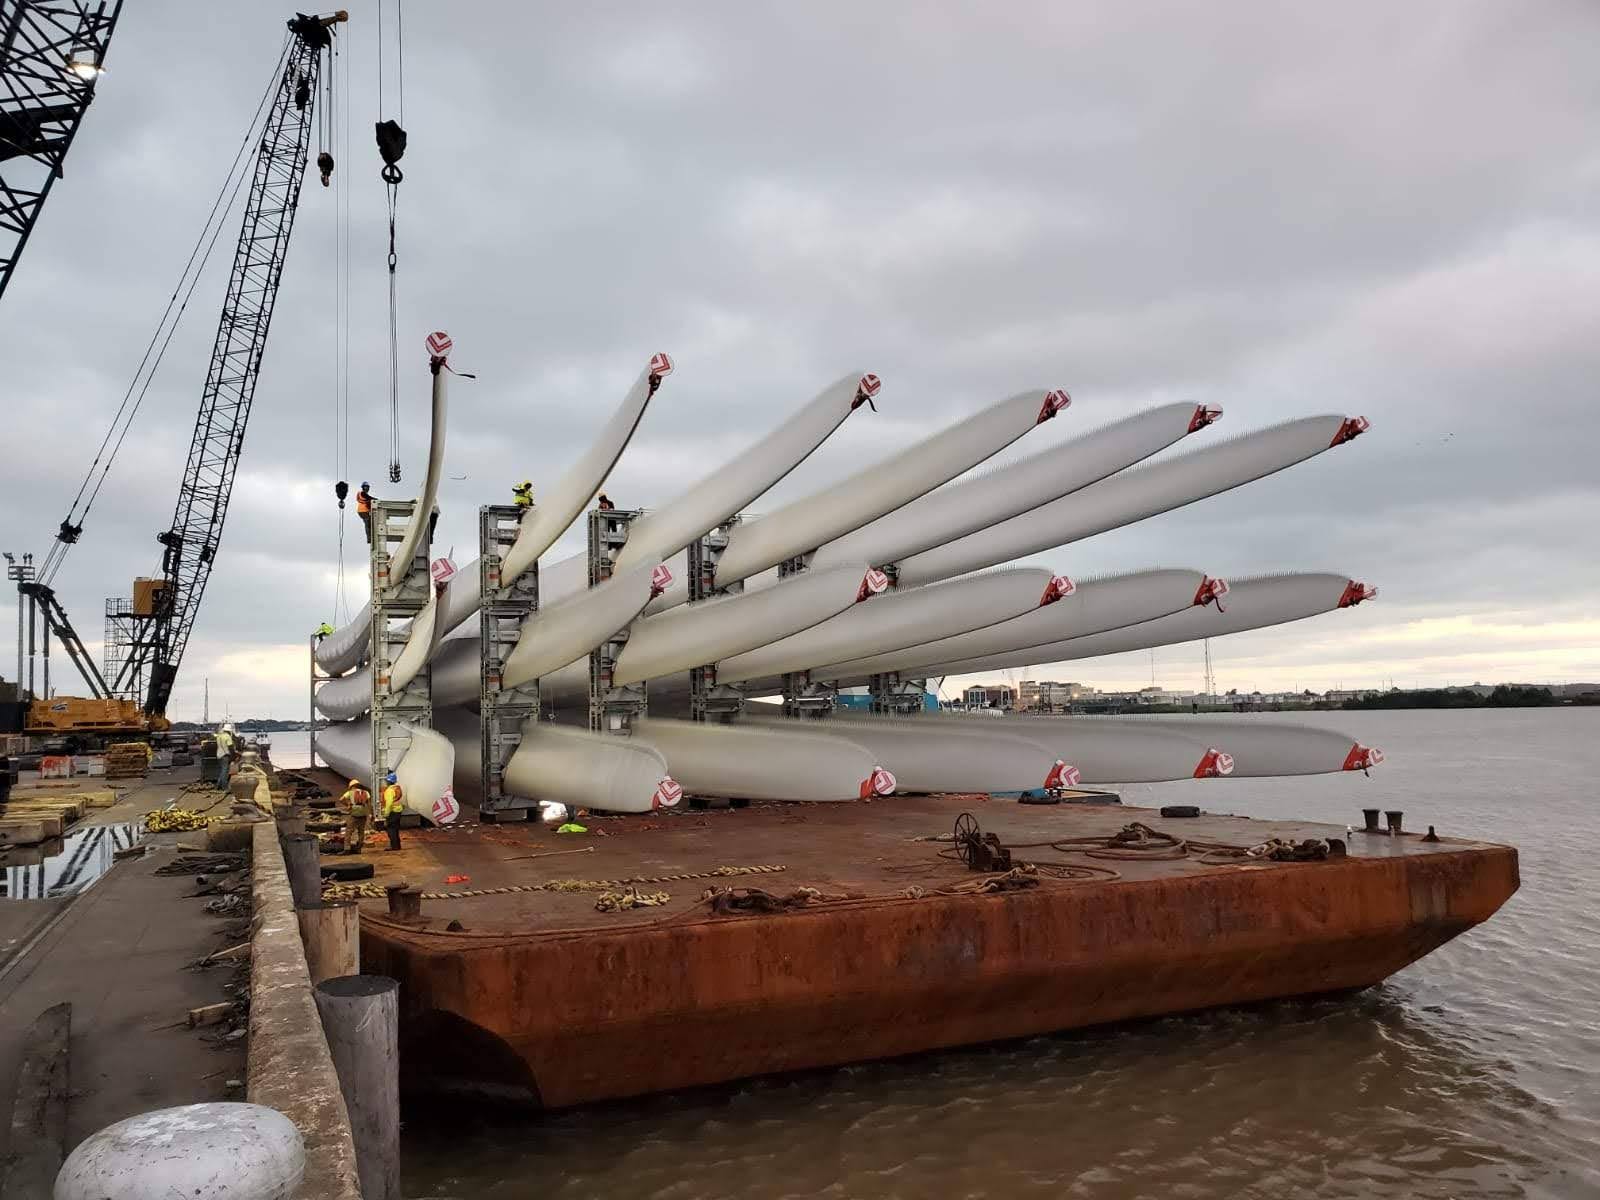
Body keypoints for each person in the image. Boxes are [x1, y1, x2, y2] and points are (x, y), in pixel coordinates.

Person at [340, 778, 371, 855]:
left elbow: (341, 799)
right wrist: (370, 814)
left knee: (349, 831)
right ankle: (359, 849)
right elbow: (369, 804)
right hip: (363, 813)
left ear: (352, 786)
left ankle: (347, 849)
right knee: (361, 832)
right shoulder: (366, 792)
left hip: (354, 813)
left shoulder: (350, 792)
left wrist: (348, 805)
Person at [381, 771, 405, 850]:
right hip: (398, 811)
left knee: (391, 829)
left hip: (392, 812)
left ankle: (394, 846)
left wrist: (386, 814)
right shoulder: (397, 788)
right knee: (396, 829)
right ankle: (397, 846)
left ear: (388, 781)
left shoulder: (389, 790)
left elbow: (389, 803)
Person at [214, 723, 235, 790]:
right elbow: (230, 747)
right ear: (229, 731)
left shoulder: (219, 736)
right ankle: (224, 787)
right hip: (225, 755)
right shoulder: (227, 737)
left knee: (222, 770)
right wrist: (233, 756)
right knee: (225, 772)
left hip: (219, 755)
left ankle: (218, 786)